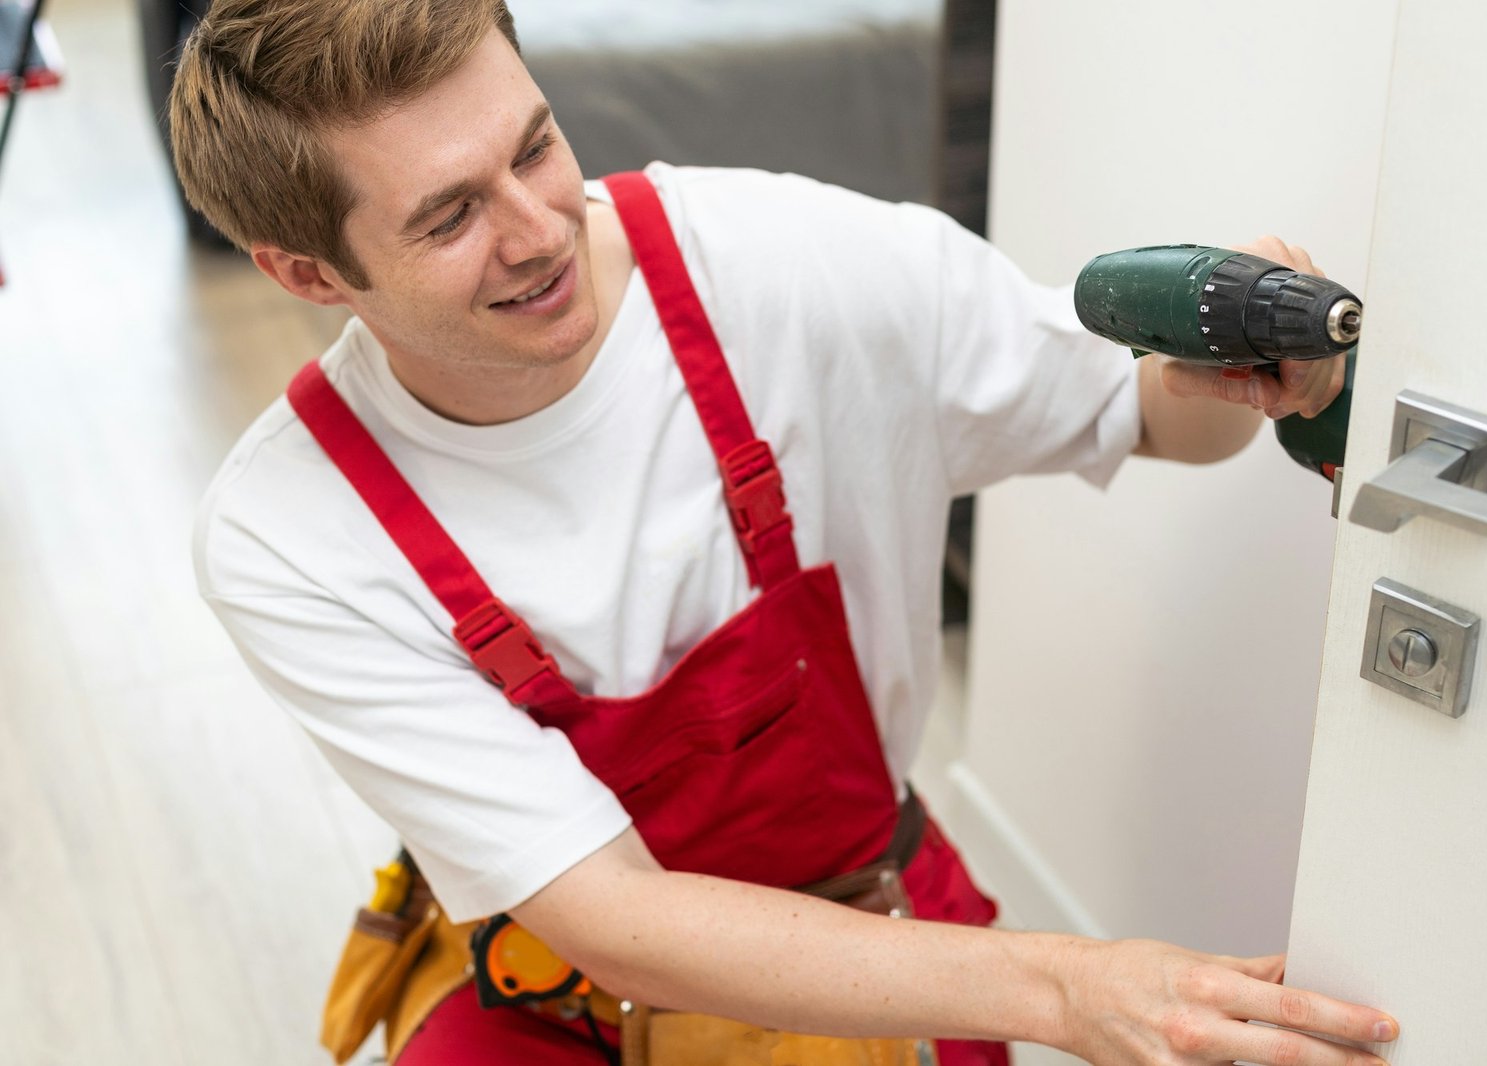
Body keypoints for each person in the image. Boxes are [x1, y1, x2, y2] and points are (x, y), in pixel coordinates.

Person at [170, 1, 1398, 1063]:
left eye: (536, 145)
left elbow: (1144, 416)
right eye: (448, 219)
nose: (539, 230)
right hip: (559, 992)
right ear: (310, 274)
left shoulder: (784, 266)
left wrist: (1222, 373)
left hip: (876, 930)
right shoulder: (291, 534)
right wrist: (1068, 987)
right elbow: (609, 911)